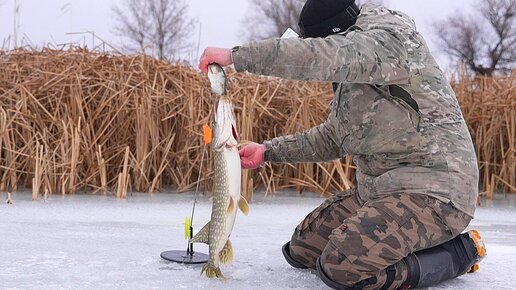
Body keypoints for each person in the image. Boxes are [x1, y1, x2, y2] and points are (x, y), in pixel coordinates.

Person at [198, 0, 486, 289]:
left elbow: (322, 57)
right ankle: (408, 240)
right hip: (380, 190)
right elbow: (335, 136)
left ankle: (459, 252)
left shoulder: (389, 42)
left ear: (336, 36)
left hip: (436, 192)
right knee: (301, 251)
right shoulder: (353, 76)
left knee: (342, 267)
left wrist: (236, 57)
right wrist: (268, 151)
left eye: (321, 42)